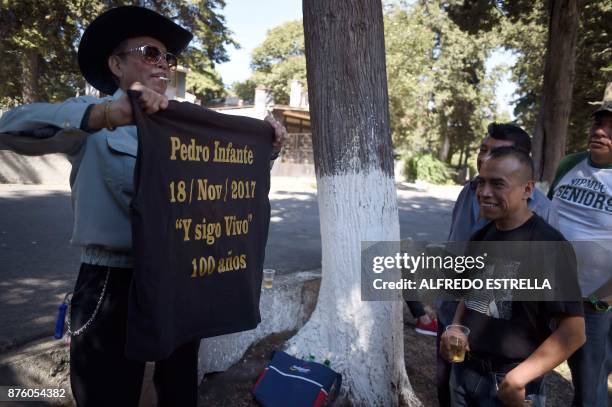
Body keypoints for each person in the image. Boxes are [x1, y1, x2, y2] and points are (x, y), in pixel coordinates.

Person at [0, 6, 286, 407]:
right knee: (105, 393)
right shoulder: (93, 124)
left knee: (179, 389)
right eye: (151, 52)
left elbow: (224, 182)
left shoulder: (185, 129)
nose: (165, 65)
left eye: (169, 58)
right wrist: (104, 115)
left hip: (178, 277)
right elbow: (8, 128)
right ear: (116, 64)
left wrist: (264, 147)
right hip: (111, 283)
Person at [440, 146, 585, 406]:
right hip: (464, 375)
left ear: (527, 190)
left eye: (498, 184)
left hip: (510, 386)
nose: (484, 193)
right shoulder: (483, 236)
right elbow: (471, 294)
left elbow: (574, 333)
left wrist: (517, 380)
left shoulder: (549, 245)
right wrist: (456, 328)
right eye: (480, 182)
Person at [548, 97, 612, 407]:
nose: (600, 132)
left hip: (592, 303)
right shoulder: (569, 164)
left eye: (611, 128)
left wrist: (602, 300)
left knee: (590, 387)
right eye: (598, 124)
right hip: (547, 291)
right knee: (529, 367)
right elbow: (545, 217)